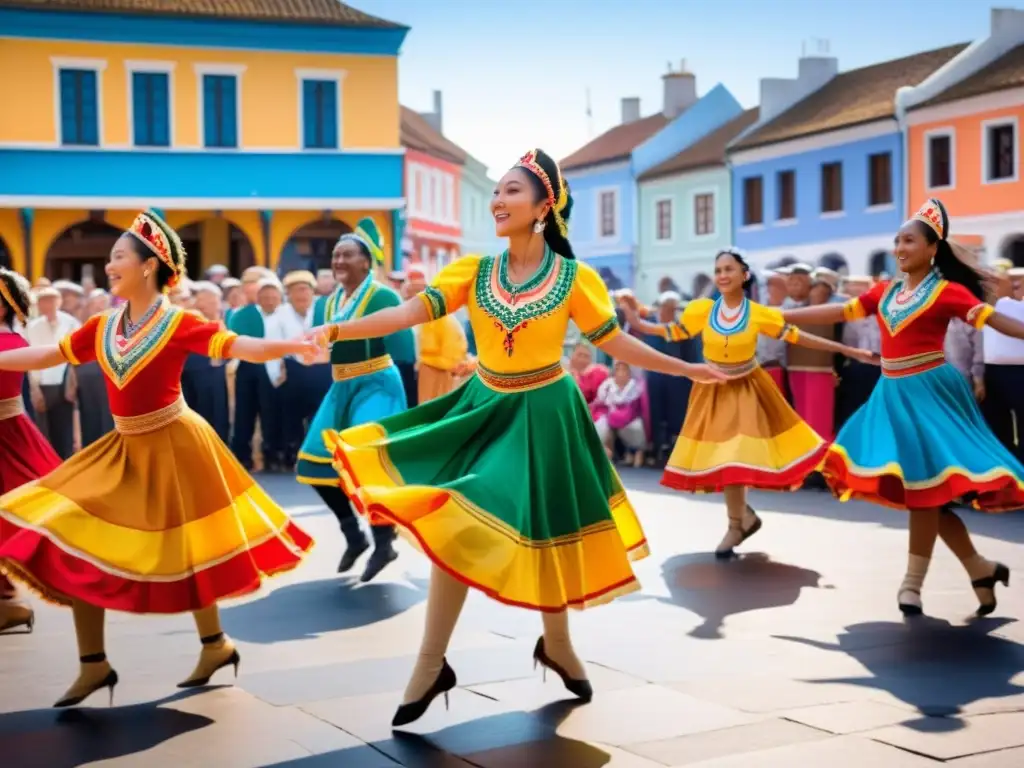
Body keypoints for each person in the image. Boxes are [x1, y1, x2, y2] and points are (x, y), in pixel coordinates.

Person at [311, 149, 726, 727]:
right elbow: (407, 313)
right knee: (454, 516)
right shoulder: (474, 272)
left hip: (548, 411)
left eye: (511, 191)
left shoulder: (574, 278)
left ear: (542, 207)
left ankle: (556, 645)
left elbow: (615, 342)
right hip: (484, 406)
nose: (499, 201)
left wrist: (685, 368)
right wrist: (335, 328)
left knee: (547, 528)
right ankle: (431, 663)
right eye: (498, 191)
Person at [0, 210, 316, 707]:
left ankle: (215, 645)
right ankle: (95, 664)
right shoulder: (101, 326)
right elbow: (44, 357)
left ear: (149, 266)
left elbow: (240, 346)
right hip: (123, 447)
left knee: (192, 550)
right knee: (76, 537)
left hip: (176, 445)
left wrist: (294, 346)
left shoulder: (178, 322)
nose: (108, 265)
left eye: (118, 257)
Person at [783, 199, 1024, 617]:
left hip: (931, 392)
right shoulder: (886, 291)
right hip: (892, 393)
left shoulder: (949, 292)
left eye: (909, 239)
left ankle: (911, 585)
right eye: (897, 240)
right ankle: (980, 569)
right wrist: (780, 315)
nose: (900, 246)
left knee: (925, 492)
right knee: (925, 493)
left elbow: (995, 321)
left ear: (932, 248)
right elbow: (841, 310)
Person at [622, 249, 875, 557]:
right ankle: (742, 519)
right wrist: (637, 321)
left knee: (735, 456)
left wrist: (848, 351)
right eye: (718, 270)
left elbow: (799, 337)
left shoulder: (757, 313)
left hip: (748, 389)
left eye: (729, 269)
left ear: (744, 275)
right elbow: (673, 331)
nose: (723, 275)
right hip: (713, 391)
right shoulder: (702, 310)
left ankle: (737, 523)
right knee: (727, 460)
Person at [294, 218, 407, 583]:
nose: (338, 260)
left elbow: (404, 351)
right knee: (313, 463)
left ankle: (384, 540)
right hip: (342, 385)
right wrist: (307, 353)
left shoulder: (383, 297)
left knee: (363, 463)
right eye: (335, 254)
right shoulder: (327, 304)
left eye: (347, 254)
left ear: (366, 261)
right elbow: (321, 348)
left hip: (377, 383)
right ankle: (353, 535)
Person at [0, 268, 62, 633]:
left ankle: (9, 602)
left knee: (18, 516)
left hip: (10, 437)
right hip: (13, 433)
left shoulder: (12, 342)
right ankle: (8, 603)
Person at [592, 360, 646, 466]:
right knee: (599, 427)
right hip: (608, 416)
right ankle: (603, 454)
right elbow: (599, 402)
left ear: (629, 372)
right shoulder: (606, 385)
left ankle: (636, 452)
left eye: (624, 370)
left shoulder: (636, 386)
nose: (621, 373)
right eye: (618, 370)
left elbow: (639, 408)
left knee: (637, 427)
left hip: (629, 418)